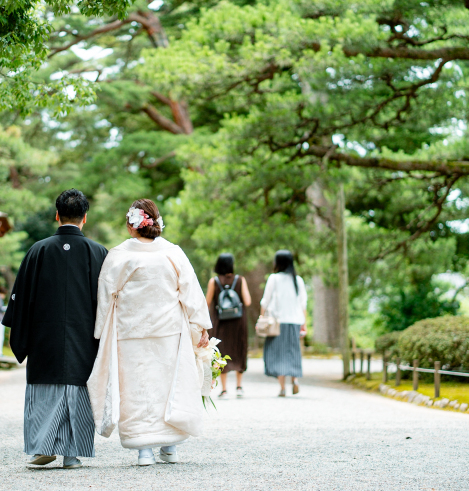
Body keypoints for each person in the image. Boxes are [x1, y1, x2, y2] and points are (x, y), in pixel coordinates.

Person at [88, 199, 212, 467]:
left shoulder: (119, 254)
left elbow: (105, 295)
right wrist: (199, 324)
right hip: (168, 330)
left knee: (137, 389)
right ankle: (170, 446)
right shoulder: (173, 252)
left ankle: (144, 451)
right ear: (156, 223)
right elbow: (190, 290)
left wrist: (99, 332)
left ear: (132, 226)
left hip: (130, 331)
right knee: (170, 387)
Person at [1, 189, 108, 469]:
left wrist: (21, 335)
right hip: (85, 339)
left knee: (46, 391)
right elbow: (110, 302)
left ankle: (43, 447)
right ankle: (72, 455)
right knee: (78, 390)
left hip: (44, 338)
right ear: (85, 218)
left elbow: (20, 298)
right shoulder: (98, 253)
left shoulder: (38, 250)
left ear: (57, 215)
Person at [260, 250, 307, 397]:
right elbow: (303, 303)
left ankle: (282, 387)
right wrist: (303, 323)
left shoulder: (273, 279)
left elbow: (265, 301)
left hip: (277, 322)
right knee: (293, 352)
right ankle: (295, 380)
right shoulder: (297, 280)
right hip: (294, 322)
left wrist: (261, 318)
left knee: (278, 353)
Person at [205, 253, 252, 399]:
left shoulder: (214, 281)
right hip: (238, 322)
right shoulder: (240, 280)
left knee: (221, 351)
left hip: (220, 322)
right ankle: (239, 386)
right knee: (239, 349)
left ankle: (224, 389)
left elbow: (207, 302)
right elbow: (248, 301)